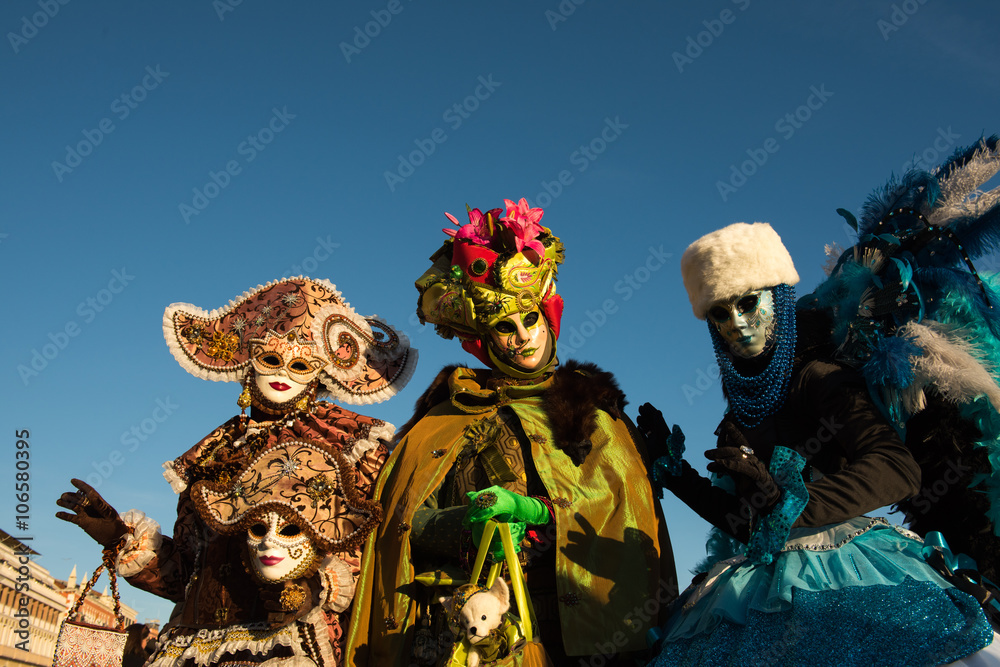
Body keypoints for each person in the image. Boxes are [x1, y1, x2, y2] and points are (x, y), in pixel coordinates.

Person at [639, 222, 999, 666]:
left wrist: (789, 503)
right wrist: (677, 475)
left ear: (777, 298)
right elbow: (747, 524)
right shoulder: (741, 413)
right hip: (759, 580)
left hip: (843, 569)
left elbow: (897, 468)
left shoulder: (819, 378)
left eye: (747, 303)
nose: (737, 323)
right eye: (720, 313)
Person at [345, 199, 677, 666]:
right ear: (483, 339)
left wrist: (539, 512)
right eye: (505, 325)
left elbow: (628, 518)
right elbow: (405, 523)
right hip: (477, 633)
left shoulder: (596, 414)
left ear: (548, 318)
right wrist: (468, 522)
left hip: (592, 634)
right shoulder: (448, 417)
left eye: (530, 319)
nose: (522, 336)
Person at [57, 276, 416, 667]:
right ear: (248, 364)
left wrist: (314, 587)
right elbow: (186, 576)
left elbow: (378, 550)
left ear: (319, 374)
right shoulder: (213, 454)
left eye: (300, 365)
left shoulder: (349, 444)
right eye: (271, 360)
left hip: (287, 645)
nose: (283, 373)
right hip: (191, 648)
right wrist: (119, 537)